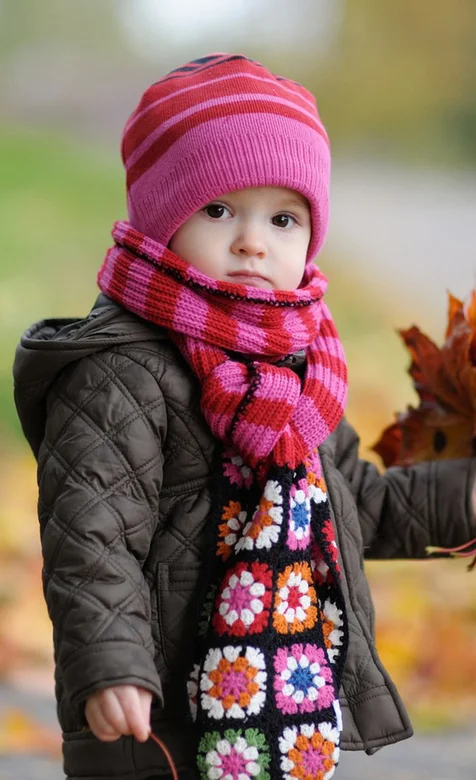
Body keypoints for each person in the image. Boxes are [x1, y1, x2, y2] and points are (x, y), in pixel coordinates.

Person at [13, 53, 475, 780]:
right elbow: (92, 536)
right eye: (219, 209)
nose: (253, 241)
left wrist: (463, 499)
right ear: (161, 219)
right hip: (160, 708)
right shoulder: (119, 372)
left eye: (284, 218)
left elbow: (353, 505)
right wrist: (110, 665)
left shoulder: (299, 373)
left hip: (280, 704)